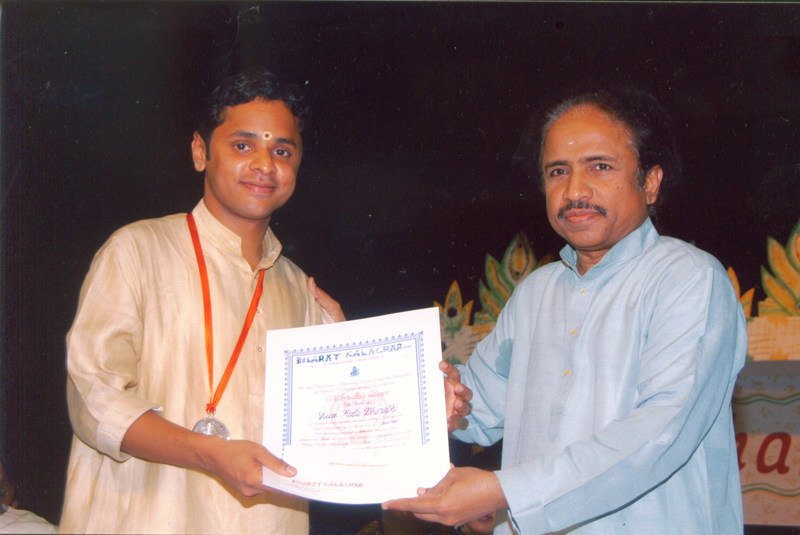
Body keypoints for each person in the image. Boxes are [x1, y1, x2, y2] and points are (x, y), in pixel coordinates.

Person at [384, 87, 747, 534]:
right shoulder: (536, 293)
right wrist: (443, 403)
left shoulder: (688, 280)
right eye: (558, 171)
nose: (574, 190)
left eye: (599, 166)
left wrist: (504, 492)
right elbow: (475, 409)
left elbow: (658, 434)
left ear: (650, 182)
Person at [60, 68, 344, 533]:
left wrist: (422, 399)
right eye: (242, 145)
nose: (264, 165)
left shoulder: (301, 290)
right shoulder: (137, 251)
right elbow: (94, 399)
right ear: (200, 151)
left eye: (282, 151)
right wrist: (210, 452)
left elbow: (331, 426)